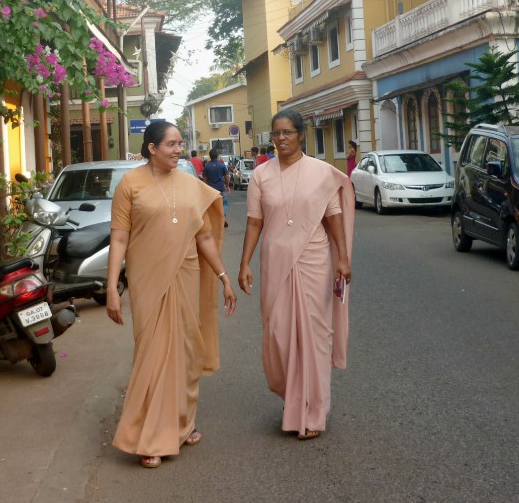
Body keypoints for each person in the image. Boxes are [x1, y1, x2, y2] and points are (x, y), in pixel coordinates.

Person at [106, 122, 238, 468]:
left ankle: (182, 423)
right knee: (153, 353)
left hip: (188, 272)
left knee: (187, 350)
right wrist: (111, 288)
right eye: (171, 144)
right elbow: (119, 238)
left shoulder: (191, 184)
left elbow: (205, 237)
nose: (179, 149)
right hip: (148, 277)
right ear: (151, 148)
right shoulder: (130, 184)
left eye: (181, 143)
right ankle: (150, 437)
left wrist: (223, 276)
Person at [238, 108, 354, 440]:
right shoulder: (261, 175)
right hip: (275, 260)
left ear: (301, 135)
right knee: (279, 334)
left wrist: (343, 259)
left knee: (315, 334)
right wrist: (244, 262)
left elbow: (333, 218)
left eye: (287, 133)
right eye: (276, 134)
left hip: (314, 258)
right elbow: (254, 221)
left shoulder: (320, 173)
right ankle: (293, 399)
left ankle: (311, 412)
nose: (281, 139)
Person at [203, 148, 230, 227]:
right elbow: (226, 176)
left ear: (210, 156)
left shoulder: (207, 166)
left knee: (212, 205)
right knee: (224, 203)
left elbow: (204, 179)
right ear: (217, 156)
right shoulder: (222, 165)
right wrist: (227, 186)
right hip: (221, 188)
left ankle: (214, 220)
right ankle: (223, 217)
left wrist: (205, 189)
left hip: (211, 190)